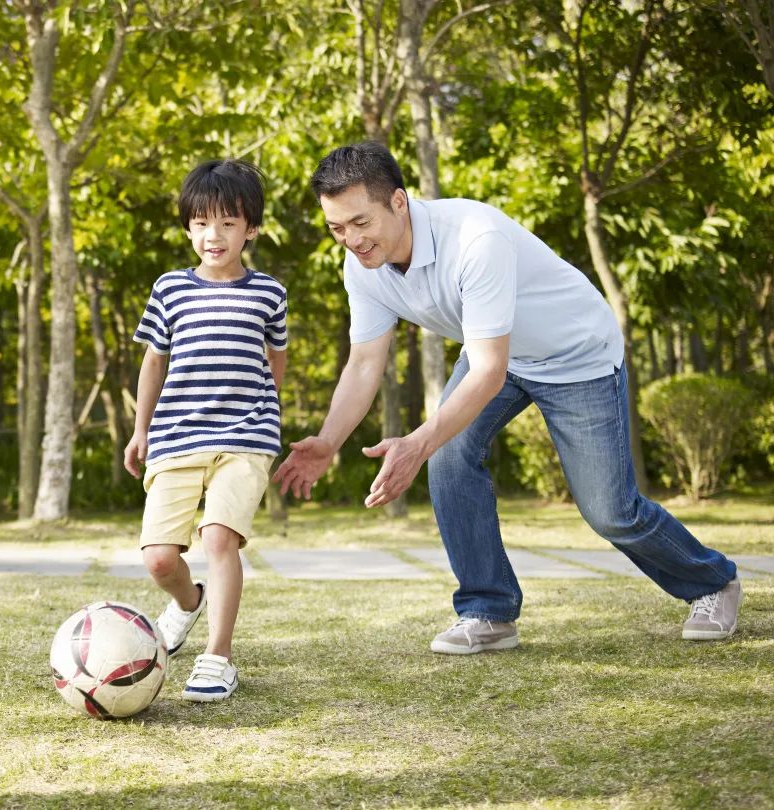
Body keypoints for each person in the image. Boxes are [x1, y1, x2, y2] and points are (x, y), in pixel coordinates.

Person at [274, 141, 741, 653]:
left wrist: (418, 443)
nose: (352, 240)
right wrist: (328, 440)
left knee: (610, 511)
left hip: (575, 356)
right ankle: (488, 610)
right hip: (498, 353)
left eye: (361, 222)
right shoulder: (364, 267)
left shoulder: (474, 238)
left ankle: (714, 582)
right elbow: (365, 362)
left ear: (399, 202)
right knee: (449, 458)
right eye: (337, 228)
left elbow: (487, 373)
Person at [123, 159, 288, 701]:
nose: (212, 235)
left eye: (227, 223)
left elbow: (276, 359)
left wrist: (266, 407)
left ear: (251, 229)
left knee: (219, 537)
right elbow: (154, 362)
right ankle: (189, 602)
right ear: (188, 228)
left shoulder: (269, 293)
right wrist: (141, 430)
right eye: (200, 223)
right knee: (158, 558)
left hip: (246, 438)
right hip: (176, 437)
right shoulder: (170, 289)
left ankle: (218, 658)